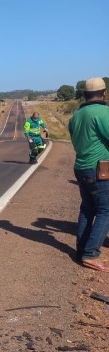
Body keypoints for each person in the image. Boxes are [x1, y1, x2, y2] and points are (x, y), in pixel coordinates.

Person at [68, 77, 109, 272]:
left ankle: (82, 250)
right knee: (105, 210)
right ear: (104, 93)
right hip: (99, 169)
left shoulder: (76, 115)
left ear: (84, 95)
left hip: (81, 166)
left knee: (87, 209)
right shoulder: (103, 113)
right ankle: (91, 254)